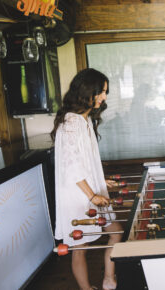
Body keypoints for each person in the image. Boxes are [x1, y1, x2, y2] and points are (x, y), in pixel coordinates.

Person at [51, 68, 122, 290]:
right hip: (77, 195)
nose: (104, 97)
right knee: (79, 247)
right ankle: (86, 288)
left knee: (116, 233)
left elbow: (85, 162)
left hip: (92, 191)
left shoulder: (85, 120)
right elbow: (71, 166)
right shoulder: (71, 123)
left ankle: (109, 279)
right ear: (85, 91)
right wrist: (92, 194)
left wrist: (102, 180)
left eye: (105, 92)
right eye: (100, 92)